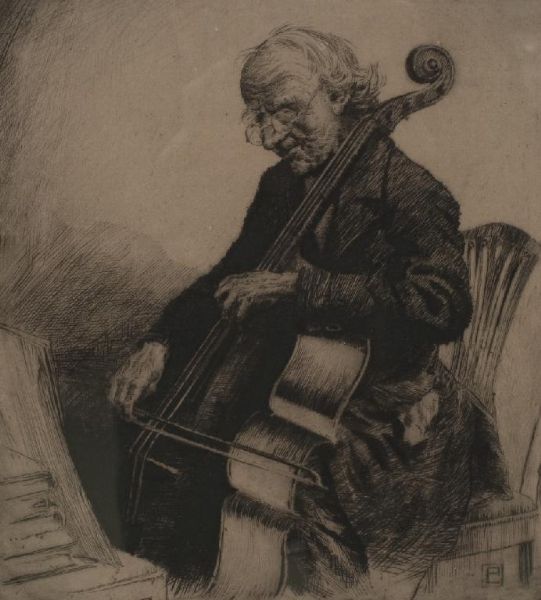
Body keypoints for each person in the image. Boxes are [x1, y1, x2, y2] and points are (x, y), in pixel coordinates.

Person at [109, 26, 508, 599]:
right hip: (303, 392)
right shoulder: (283, 185)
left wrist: (303, 290)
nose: (272, 135)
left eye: (288, 111)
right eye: (261, 115)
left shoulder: (411, 190)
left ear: (338, 95)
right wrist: (160, 343)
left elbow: (442, 306)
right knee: (191, 450)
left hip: (390, 418)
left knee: (292, 475)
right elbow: (228, 276)